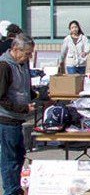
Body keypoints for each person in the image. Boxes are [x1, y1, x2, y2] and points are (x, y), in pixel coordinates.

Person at [0, 35, 36, 195]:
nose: (29, 57)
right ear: (15, 50)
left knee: (19, 155)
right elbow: (1, 97)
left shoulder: (22, 64)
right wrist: (23, 108)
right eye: (27, 53)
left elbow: (23, 89)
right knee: (10, 158)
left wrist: (39, 96)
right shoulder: (4, 66)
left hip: (17, 119)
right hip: (6, 118)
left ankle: (15, 188)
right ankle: (11, 190)